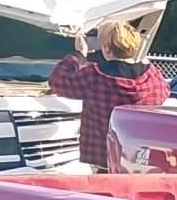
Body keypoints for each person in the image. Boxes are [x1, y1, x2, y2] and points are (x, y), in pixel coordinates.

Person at [46, 21, 167, 169]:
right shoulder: (153, 76)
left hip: (102, 159)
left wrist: (79, 55)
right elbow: (164, 93)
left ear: (107, 48)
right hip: (139, 159)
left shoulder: (95, 75)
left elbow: (57, 81)